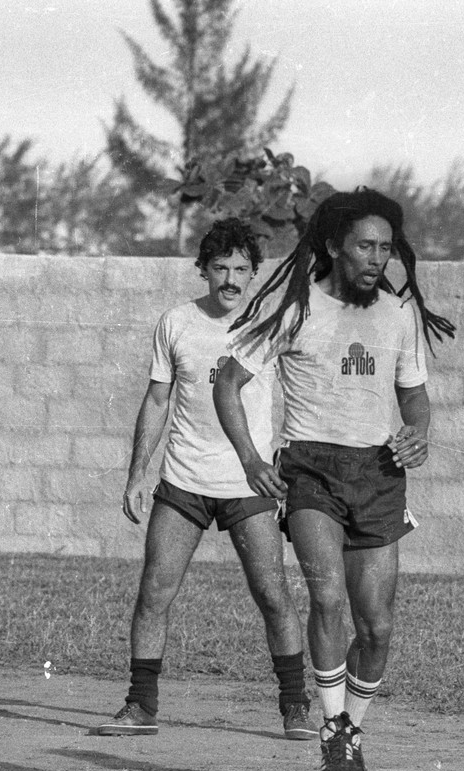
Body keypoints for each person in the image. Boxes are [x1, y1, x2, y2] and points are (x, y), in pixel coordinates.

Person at [213, 189, 455, 771]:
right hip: (311, 469)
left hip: (378, 474)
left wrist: (418, 434)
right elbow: (228, 384)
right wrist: (250, 460)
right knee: (325, 596)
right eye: (365, 246)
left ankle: (350, 734)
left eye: (385, 247)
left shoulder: (398, 316)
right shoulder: (297, 308)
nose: (377, 257)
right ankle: (333, 727)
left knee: (376, 628)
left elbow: (415, 396)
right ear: (333, 247)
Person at [92, 218, 313, 739]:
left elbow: (306, 392)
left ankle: (295, 706)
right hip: (184, 481)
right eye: (220, 268)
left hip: (250, 486)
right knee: (153, 592)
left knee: (273, 593)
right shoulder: (175, 323)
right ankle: (141, 704)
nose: (231, 280)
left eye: (241, 269)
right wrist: (136, 475)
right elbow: (157, 399)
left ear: (255, 273)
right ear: (204, 271)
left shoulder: (272, 324)